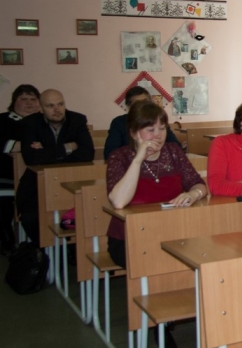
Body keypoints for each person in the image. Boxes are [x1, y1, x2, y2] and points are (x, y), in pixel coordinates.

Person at [106, 101, 207, 268]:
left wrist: (192, 194)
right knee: (160, 258)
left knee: (200, 251)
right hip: (130, 237)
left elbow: (198, 184)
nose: (158, 135)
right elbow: (118, 201)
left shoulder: (173, 152)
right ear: (134, 133)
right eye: (150, 130)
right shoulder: (119, 157)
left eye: (162, 128)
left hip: (173, 231)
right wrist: (138, 160)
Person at [17, 89, 94, 245]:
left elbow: (87, 154)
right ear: (41, 108)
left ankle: (71, 250)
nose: (57, 109)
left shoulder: (77, 120)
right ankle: (44, 251)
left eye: (60, 104)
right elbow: (31, 158)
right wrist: (68, 147)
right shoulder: (30, 123)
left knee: (86, 214)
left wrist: (46, 150)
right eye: (50, 106)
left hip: (71, 181)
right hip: (37, 184)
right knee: (30, 218)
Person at [0, 84, 40, 254]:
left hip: (37, 177)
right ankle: (7, 242)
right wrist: (32, 146)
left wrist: (20, 146)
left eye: (33, 99)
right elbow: (5, 145)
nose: (29, 103)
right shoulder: (3, 120)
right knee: (3, 203)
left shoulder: (44, 121)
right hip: (6, 176)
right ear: (14, 102)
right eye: (24, 99)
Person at [104, 86, 181, 159]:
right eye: (137, 103)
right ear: (128, 106)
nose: (142, 106)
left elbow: (177, 148)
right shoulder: (119, 122)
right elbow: (110, 153)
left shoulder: (158, 121)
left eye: (145, 102)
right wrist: (139, 156)